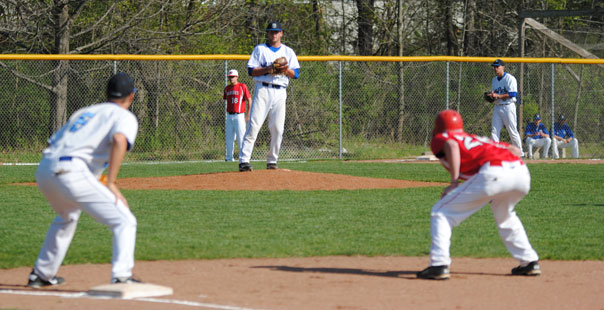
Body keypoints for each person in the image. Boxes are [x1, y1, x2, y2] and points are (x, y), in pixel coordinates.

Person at [27, 72, 140, 287]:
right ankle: (122, 276)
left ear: (106, 93)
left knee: (66, 216)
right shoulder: (124, 116)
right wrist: (111, 183)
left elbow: (55, 144)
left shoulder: (85, 112)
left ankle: (41, 274)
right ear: (131, 96)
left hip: (45, 168)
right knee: (124, 220)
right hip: (71, 170)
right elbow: (118, 139)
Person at [417, 109, 540, 280]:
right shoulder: (476, 138)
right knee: (505, 217)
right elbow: (515, 150)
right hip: (521, 173)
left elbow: (451, 145)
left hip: (494, 173)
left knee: (441, 213)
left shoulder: (441, 138)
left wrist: (454, 183)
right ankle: (529, 262)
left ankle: (438, 264)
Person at [238, 21, 300, 172]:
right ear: (267, 33)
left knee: (278, 128)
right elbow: (251, 71)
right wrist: (268, 69)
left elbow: (296, 74)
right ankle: (244, 160)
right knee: (254, 125)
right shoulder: (260, 49)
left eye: (277, 32)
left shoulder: (288, 51)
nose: (274, 34)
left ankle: (272, 161)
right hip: (263, 90)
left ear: (281, 33)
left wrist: (285, 70)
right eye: (271, 32)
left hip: (280, 91)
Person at [489, 59, 524, 157]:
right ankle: (494, 153)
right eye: (494, 67)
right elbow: (495, 93)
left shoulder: (510, 78)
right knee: (494, 131)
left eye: (497, 66)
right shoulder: (494, 80)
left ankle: (520, 153)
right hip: (497, 107)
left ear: (503, 67)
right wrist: (491, 96)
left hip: (508, 107)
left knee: (512, 131)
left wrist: (498, 96)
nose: (495, 69)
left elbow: (513, 94)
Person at [223, 69, 252, 162]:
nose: (231, 78)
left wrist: (248, 115)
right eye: (230, 77)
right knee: (229, 138)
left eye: (233, 77)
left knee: (241, 137)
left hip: (239, 115)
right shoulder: (227, 88)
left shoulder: (242, 86)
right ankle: (229, 158)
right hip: (229, 115)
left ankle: (242, 157)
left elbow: (249, 100)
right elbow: (225, 99)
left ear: (237, 77)